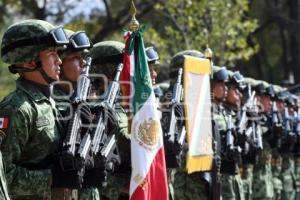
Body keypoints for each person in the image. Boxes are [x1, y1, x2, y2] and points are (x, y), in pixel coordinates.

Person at [0, 19, 69, 199]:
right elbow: (4, 175)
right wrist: (52, 179)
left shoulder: (49, 102)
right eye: (52, 54)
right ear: (30, 62)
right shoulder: (16, 109)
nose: (60, 61)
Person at [51, 29, 100, 200]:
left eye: (83, 57)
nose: (84, 63)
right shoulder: (50, 105)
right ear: (59, 62)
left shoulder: (84, 100)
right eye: (75, 58)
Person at [86, 40, 130, 200]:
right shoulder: (101, 103)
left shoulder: (123, 101)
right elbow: (126, 139)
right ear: (111, 73)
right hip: (110, 192)